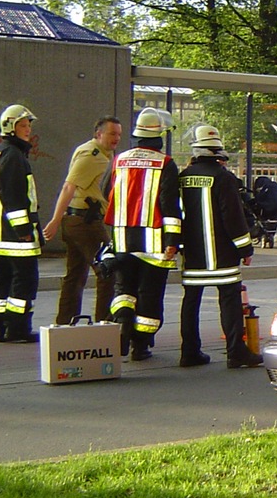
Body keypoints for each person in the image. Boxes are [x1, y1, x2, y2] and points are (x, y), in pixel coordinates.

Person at [177, 124, 262, 369]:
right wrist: (245, 249)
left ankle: (189, 352)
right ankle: (236, 352)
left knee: (190, 301)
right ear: (218, 152)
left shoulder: (183, 177)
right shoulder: (223, 178)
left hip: (193, 255)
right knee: (230, 301)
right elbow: (233, 218)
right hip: (222, 255)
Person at [105, 107, 182, 362]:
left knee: (123, 288)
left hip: (122, 239)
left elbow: (108, 193)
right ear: (159, 135)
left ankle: (123, 324)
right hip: (154, 242)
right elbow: (170, 208)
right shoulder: (166, 164)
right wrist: (173, 241)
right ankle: (140, 345)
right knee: (149, 294)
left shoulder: (119, 160)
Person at [42, 116, 122, 325]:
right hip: (84, 222)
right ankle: (105, 324)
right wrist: (55, 220)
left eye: (119, 134)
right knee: (107, 269)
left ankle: (64, 324)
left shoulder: (104, 153)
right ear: (99, 133)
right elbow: (69, 186)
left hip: (81, 220)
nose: (116, 138)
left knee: (75, 275)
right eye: (112, 133)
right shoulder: (91, 155)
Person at [0, 104, 43, 343]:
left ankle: (0, 325)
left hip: (1, 233)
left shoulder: (3, 152)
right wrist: (24, 230)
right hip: (15, 236)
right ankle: (18, 328)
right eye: (23, 125)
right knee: (24, 280)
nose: (27, 129)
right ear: (10, 127)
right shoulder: (13, 155)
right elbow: (14, 195)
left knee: (3, 280)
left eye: (29, 125)